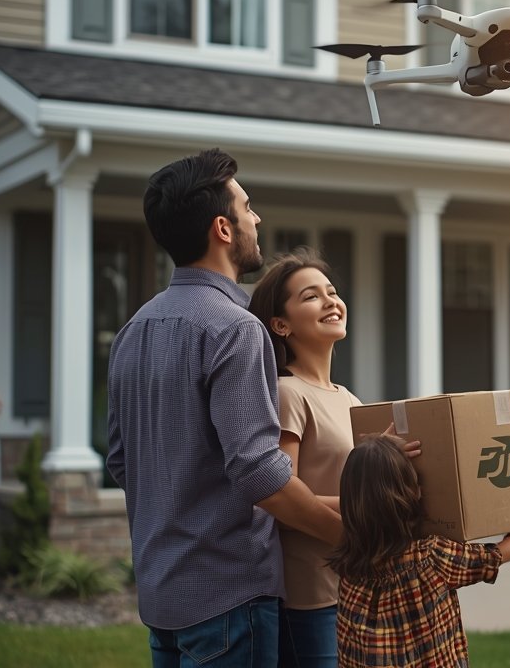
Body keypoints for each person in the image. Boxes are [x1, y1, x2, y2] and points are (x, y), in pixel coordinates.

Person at [106, 149, 343, 668]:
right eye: (247, 207)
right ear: (223, 228)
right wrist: (349, 536)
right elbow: (261, 475)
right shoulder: (235, 329)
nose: (256, 218)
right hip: (230, 598)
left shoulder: (132, 331)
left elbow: (121, 461)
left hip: (162, 599)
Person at [331, 433, 510, 668]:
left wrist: (383, 451)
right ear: (406, 495)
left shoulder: (349, 569)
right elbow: (493, 556)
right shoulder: (431, 558)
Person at [247, 248, 362, 667]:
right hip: (310, 594)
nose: (331, 301)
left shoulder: (350, 399)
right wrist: (367, 511)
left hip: (354, 583)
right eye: (311, 296)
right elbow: (285, 494)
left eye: (332, 291)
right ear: (280, 324)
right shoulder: (286, 393)